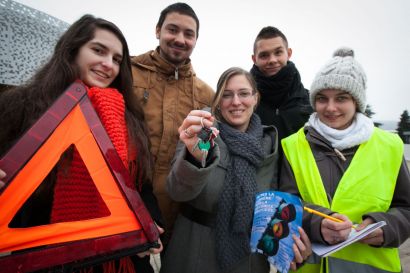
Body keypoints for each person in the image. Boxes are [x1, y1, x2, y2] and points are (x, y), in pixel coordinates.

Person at [0, 14, 163, 273]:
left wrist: (149, 221)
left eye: (117, 59)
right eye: (98, 50)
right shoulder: (20, 107)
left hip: (118, 256)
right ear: (72, 51)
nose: (108, 64)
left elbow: (141, 186)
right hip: (40, 256)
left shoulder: (130, 119)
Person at [161, 67, 311, 273]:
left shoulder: (269, 145)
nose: (236, 102)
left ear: (255, 98)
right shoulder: (205, 133)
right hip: (194, 252)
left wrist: (289, 249)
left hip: (249, 260)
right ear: (218, 102)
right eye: (227, 95)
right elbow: (177, 191)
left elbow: (277, 207)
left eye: (243, 93)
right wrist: (196, 158)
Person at [280, 47, 410, 272]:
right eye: (322, 98)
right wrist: (319, 225)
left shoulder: (390, 146)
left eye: (341, 98)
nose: (330, 108)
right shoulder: (292, 145)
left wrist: (385, 229)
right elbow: (285, 203)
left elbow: (406, 208)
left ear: (357, 101)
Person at [130, 2, 214, 244]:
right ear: (158, 31)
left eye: (189, 34)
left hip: (175, 217)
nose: (180, 39)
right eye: (172, 30)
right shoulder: (128, 72)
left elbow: (206, 152)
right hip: (123, 203)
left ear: (196, 39)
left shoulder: (206, 96)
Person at [251, 26, 312, 143]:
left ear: (289, 53)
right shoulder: (242, 104)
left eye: (278, 52)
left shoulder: (311, 102)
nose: (272, 60)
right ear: (254, 59)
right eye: (264, 55)